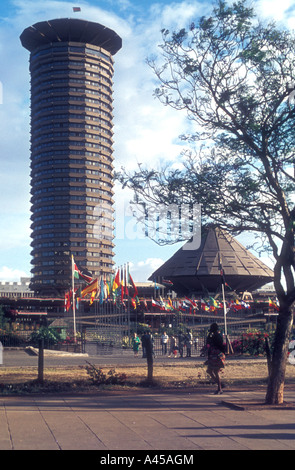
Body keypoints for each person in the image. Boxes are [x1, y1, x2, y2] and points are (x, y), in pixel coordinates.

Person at [206, 323, 226, 394]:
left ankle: (219, 388)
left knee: (215, 371)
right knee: (209, 371)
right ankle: (220, 385)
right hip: (214, 355)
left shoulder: (216, 336)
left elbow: (216, 345)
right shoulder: (215, 335)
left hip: (216, 355)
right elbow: (208, 341)